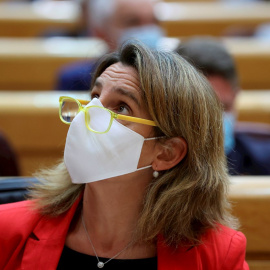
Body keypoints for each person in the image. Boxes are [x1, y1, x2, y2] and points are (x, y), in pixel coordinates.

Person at [0, 41, 248, 269]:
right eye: (95, 97)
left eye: (120, 107)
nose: (89, 114)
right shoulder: (8, 231)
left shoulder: (218, 256)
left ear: (167, 153)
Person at [176, 37, 270, 175]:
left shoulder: (263, 161)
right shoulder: (147, 170)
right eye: (203, 110)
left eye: (225, 107)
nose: (216, 122)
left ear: (235, 95)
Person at [56, 0, 164, 91]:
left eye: (154, 22)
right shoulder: (76, 81)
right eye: (133, 22)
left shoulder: (173, 77)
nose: (147, 30)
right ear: (100, 32)